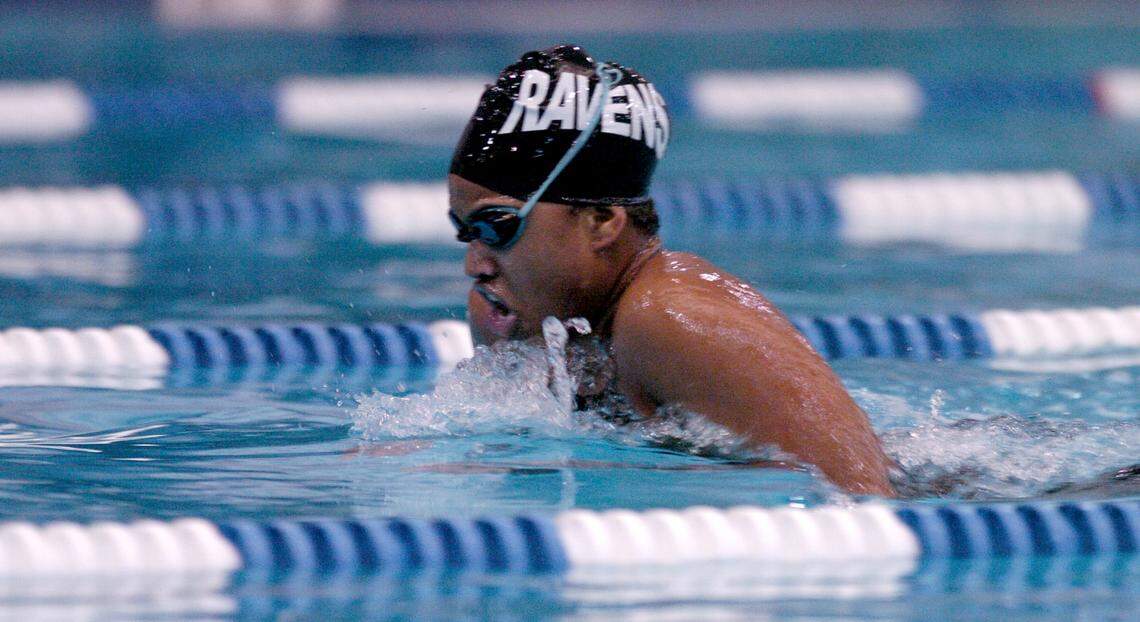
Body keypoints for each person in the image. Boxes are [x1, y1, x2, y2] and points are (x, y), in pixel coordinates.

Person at [447, 45, 895, 496]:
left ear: (601, 221)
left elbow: (863, 499)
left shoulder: (668, 318)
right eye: (466, 232)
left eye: (498, 227)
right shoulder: (531, 315)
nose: (475, 265)